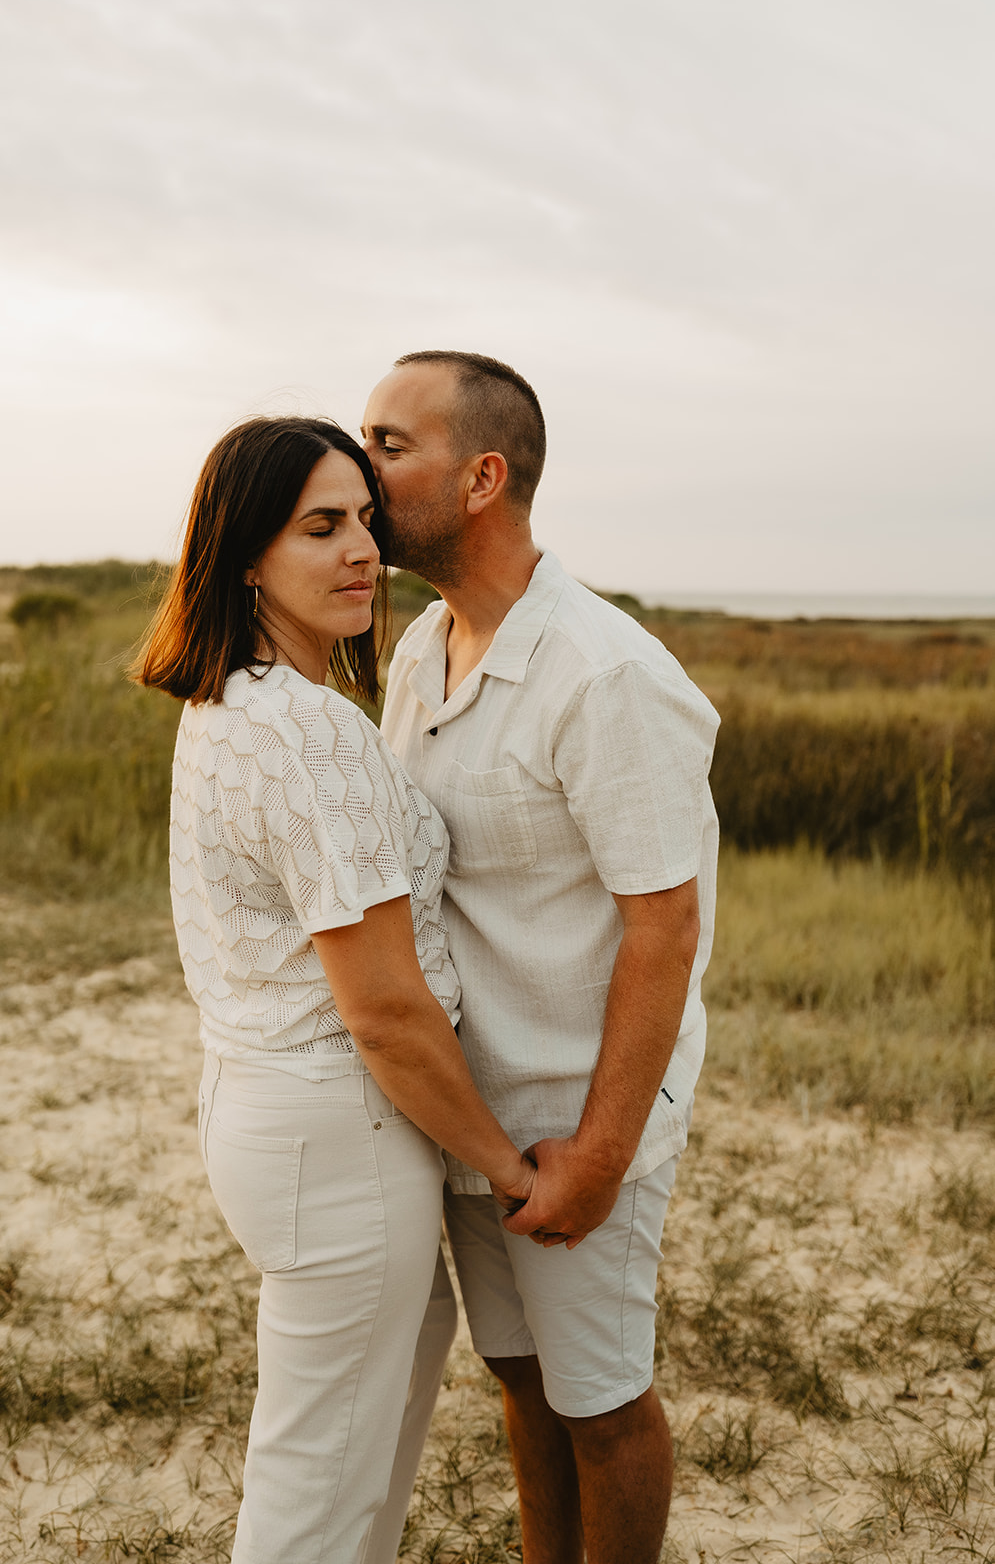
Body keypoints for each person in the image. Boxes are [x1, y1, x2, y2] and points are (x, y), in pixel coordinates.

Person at [135, 416, 537, 1564]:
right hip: (337, 1130)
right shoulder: (304, 729)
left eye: (365, 518)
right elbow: (384, 1009)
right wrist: (506, 1169)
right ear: (244, 553)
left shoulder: (237, 700)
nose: (362, 548)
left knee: (358, 1444)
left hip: (275, 1111)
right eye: (322, 526)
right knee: (317, 1483)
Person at [361, 353, 720, 1564]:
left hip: (578, 1118)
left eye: (388, 443)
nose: (361, 467)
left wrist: (601, 1152)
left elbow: (662, 927)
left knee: (602, 1404)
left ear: (481, 477)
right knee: (520, 1382)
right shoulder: (422, 649)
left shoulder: (605, 673)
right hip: (474, 1113)